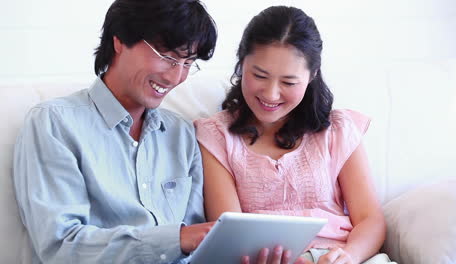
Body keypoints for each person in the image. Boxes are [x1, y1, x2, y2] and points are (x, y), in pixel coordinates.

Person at [13, 0, 217, 263]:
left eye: (188, 63)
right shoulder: (54, 124)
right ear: (120, 40)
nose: (175, 77)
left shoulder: (180, 134)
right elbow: (61, 247)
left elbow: (196, 246)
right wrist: (175, 240)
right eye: (168, 57)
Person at [195, 6, 396, 264]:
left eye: (288, 83)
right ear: (241, 63)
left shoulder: (337, 130)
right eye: (259, 75)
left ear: (312, 76)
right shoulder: (216, 136)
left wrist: (348, 256)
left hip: (336, 256)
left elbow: (370, 219)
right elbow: (230, 232)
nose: (270, 94)